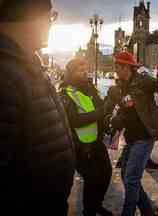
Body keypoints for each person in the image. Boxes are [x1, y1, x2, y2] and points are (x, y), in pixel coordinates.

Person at [0, 1, 75, 215]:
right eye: (50, 16)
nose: (51, 23)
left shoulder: (25, 65)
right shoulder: (6, 75)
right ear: (27, 17)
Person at [105, 51, 158, 216]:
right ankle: (147, 211)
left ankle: (128, 212)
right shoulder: (117, 87)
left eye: (118, 66)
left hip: (145, 136)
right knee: (126, 176)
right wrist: (112, 118)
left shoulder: (144, 81)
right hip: (130, 138)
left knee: (131, 179)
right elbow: (109, 109)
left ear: (127, 67)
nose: (115, 69)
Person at [60, 57, 112, 216]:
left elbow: (101, 107)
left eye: (85, 69)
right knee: (92, 180)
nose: (84, 72)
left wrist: (109, 108)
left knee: (106, 174)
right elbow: (73, 120)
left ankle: (97, 204)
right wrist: (99, 113)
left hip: (96, 141)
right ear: (71, 73)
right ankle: (88, 211)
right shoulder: (66, 93)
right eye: (80, 70)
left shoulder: (90, 88)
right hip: (80, 146)